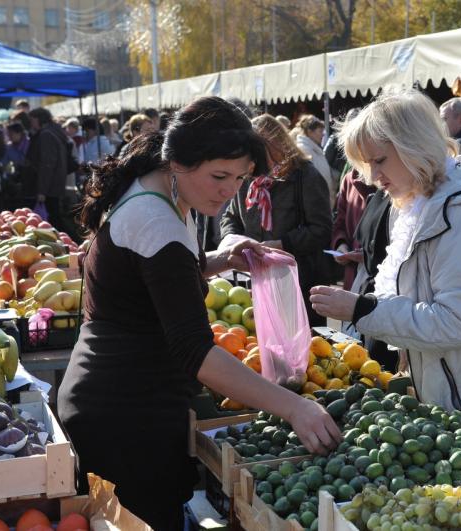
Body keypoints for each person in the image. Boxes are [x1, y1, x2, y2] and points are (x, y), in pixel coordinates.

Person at [57, 97, 341, 531]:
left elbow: (154, 275)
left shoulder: (158, 188)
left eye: (240, 178)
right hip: (126, 415)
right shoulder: (158, 220)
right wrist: (294, 407)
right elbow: (196, 352)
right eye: (219, 176)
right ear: (179, 161)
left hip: (117, 400)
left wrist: (218, 260)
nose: (230, 190)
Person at [309, 90, 461, 467]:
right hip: (455, 390)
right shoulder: (413, 204)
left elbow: (455, 323)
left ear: (413, 145)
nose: (373, 177)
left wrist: (361, 309)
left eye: (380, 161)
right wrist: (367, 310)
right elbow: (395, 287)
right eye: (366, 164)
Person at [220, 114, 332, 327]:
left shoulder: (305, 176)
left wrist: (282, 244)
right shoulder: (247, 180)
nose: (252, 164)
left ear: (274, 147)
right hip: (255, 281)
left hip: (297, 282)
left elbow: (322, 229)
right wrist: (233, 241)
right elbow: (230, 216)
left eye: (256, 155)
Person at [331, 168, 376, 292]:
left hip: (380, 279)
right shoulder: (349, 179)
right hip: (353, 276)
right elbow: (339, 222)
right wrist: (341, 245)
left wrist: (371, 254)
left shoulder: (389, 180)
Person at [26, 108, 69, 230]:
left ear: (40, 119)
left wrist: (42, 191)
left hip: (50, 185)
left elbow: (47, 165)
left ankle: (71, 242)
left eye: (33, 120)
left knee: (54, 220)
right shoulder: (54, 131)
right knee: (55, 217)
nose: (32, 123)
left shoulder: (46, 135)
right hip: (55, 182)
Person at [292, 114, 334, 206]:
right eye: (320, 131)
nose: (323, 134)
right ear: (310, 132)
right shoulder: (304, 150)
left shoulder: (315, 150)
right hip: (314, 205)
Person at [325, 108, 361, 183]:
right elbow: (326, 157)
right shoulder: (337, 137)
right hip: (336, 175)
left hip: (349, 173)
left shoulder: (361, 137)